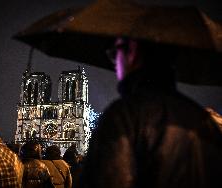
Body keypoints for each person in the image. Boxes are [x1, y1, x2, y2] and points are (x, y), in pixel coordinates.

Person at [80, 38, 222, 188]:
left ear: (132, 51)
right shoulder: (205, 121)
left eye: (115, 53)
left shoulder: (124, 116)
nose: (115, 64)